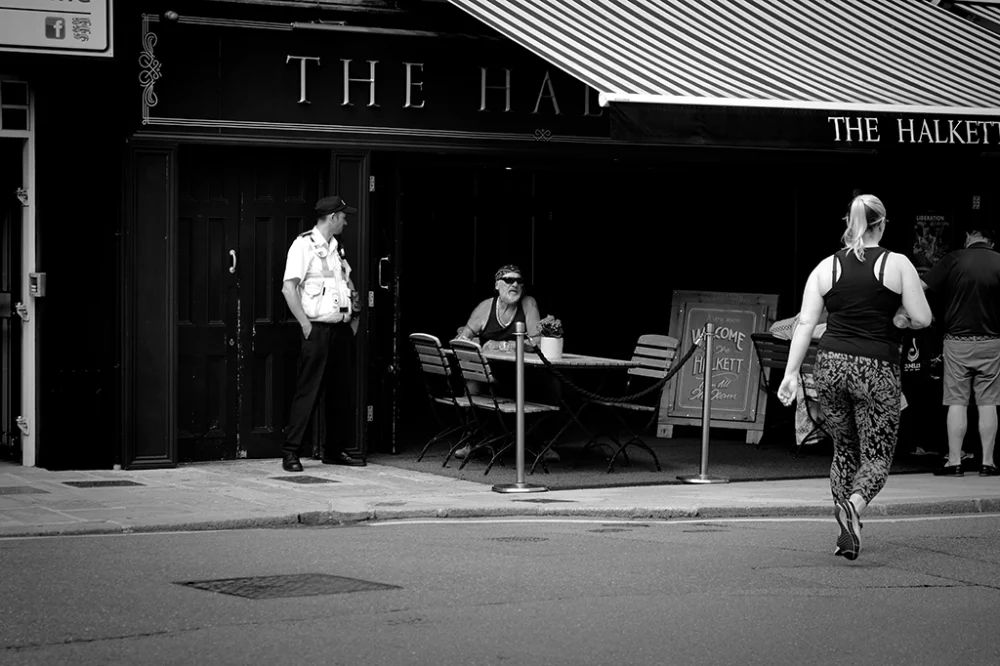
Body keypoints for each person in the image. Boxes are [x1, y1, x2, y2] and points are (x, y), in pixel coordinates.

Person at [778, 194, 932, 561]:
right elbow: (923, 318)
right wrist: (898, 319)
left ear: (850, 224)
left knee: (844, 449)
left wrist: (790, 374)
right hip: (875, 368)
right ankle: (855, 507)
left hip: (829, 364)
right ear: (882, 224)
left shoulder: (825, 267)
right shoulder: (897, 264)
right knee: (877, 454)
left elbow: (804, 324)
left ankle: (845, 532)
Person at [280, 195, 366, 472]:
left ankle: (334, 450)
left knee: (341, 393)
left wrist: (354, 314)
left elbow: (345, 281)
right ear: (332, 217)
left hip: (340, 329)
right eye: (343, 216)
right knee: (309, 391)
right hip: (317, 329)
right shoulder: (303, 245)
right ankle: (291, 452)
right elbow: (289, 288)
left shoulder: (336, 248)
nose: (346, 221)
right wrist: (306, 325)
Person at [920, 224, 1000, 477]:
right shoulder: (999, 261)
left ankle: (954, 461)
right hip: (992, 341)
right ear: (992, 242)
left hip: (957, 341)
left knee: (957, 401)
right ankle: (988, 462)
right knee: (988, 402)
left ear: (968, 237)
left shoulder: (953, 259)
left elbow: (920, 286)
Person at [456, 264, 542, 350]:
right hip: (488, 362)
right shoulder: (484, 307)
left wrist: (503, 345)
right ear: (497, 285)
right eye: (509, 280)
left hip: (520, 362)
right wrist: (463, 339)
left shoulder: (528, 303)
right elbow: (463, 339)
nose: (515, 284)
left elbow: (537, 343)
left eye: (519, 281)